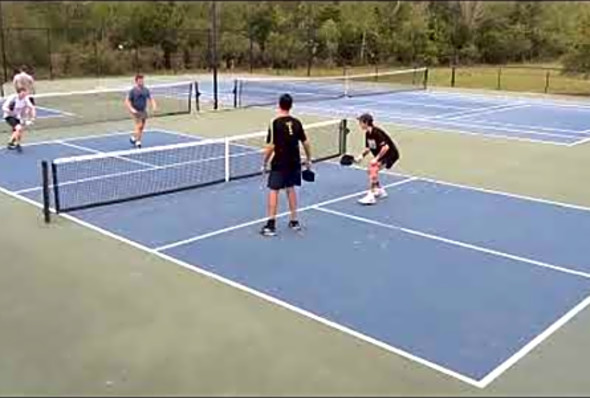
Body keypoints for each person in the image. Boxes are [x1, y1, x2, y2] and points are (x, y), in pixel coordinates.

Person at [260, 93, 312, 237]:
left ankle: (271, 225)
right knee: (290, 189)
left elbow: (271, 146)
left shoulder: (274, 123)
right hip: (294, 162)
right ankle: (294, 221)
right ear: (291, 106)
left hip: (280, 163)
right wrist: (308, 159)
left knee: (274, 190)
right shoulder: (297, 122)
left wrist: (264, 163)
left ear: (279, 105)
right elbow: (306, 142)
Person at [355, 113, 400, 205]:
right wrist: (361, 156)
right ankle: (379, 190)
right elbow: (369, 148)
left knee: (373, 169)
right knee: (370, 170)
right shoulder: (368, 133)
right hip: (384, 155)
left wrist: (376, 159)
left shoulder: (376, 132)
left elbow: (386, 147)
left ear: (366, 123)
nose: (359, 124)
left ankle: (370, 196)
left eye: (360, 122)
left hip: (390, 155)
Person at [125, 74, 157, 148]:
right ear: (136, 82)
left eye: (142, 80)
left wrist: (154, 105)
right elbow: (127, 101)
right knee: (139, 125)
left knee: (142, 127)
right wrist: (131, 109)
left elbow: (151, 98)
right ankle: (138, 141)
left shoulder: (146, 90)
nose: (141, 82)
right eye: (139, 81)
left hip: (143, 110)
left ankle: (134, 137)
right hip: (136, 111)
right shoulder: (133, 91)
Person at [3, 87, 36, 151]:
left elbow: (31, 107)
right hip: (9, 116)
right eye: (23, 93)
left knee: (19, 131)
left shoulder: (25, 98)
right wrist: (10, 112)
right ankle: (10, 143)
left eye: (25, 93)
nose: (24, 95)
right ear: (19, 93)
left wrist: (32, 118)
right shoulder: (13, 98)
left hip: (18, 116)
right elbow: (4, 107)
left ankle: (17, 144)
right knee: (18, 128)